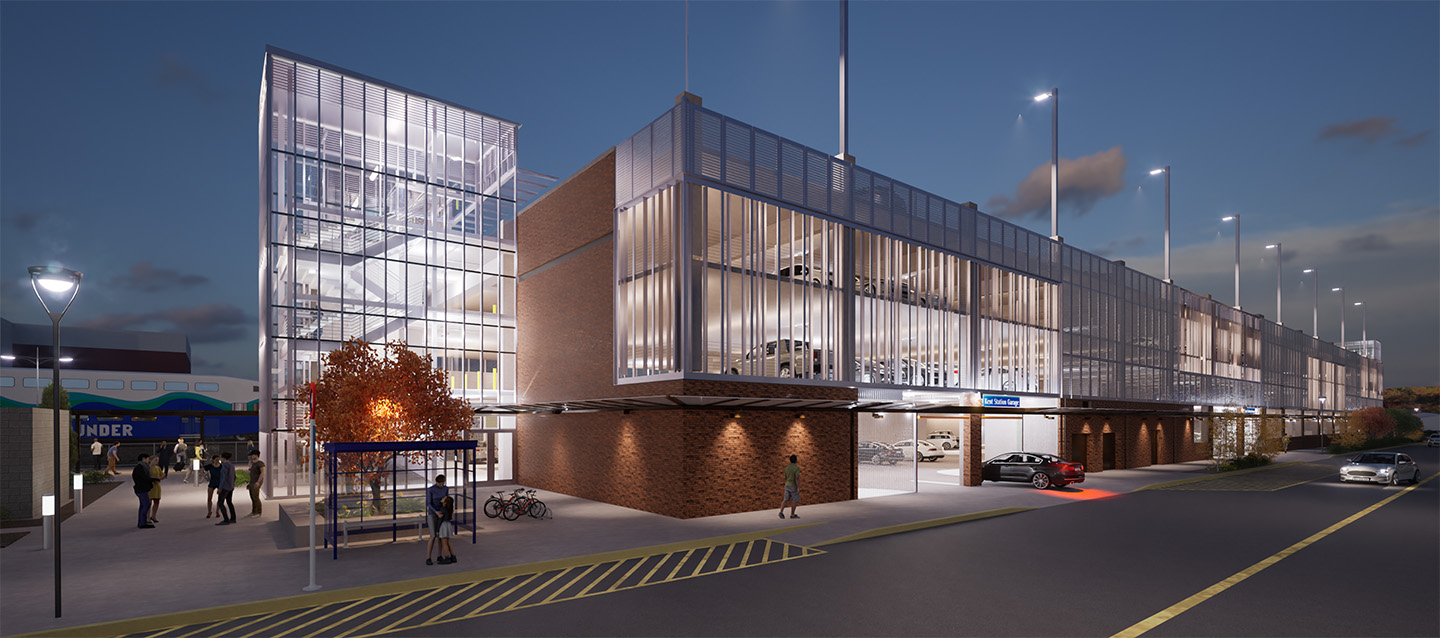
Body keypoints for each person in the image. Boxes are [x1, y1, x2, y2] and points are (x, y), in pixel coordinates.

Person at [424, 474, 449, 565]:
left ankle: (439, 556)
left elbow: (446, 500)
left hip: (441, 514)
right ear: (436, 482)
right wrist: (436, 512)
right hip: (433, 514)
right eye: (439, 483)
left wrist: (444, 512)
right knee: (433, 536)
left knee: (441, 536)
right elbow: (428, 504)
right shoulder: (430, 490)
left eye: (442, 483)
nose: (441, 485)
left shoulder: (446, 489)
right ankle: (428, 557)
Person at [132, 453, 157, 529]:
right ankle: (142, 523)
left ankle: (142, 521)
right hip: (141, 489)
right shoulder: (140, 468)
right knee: (146, 504)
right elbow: (144, 478)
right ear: (143, 459)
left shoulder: (141, 467)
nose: (149, 460)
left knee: (143, 505)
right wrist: (153, 479)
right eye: (148, 459)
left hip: (141, 488)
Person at [215, 452, 237, 526]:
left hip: (225, 487)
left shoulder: (224, 466)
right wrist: (232, 484)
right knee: (229, 502)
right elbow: (234, 476)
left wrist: (220, 488)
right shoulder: (231, 465)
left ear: (223, 458)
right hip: (230, 487)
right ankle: (233, 518)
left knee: (220, 503)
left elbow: (223, 478)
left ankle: (226, 519)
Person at [435, 495, 456, 565]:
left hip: (443, 526)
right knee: (448, 542)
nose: (442, 498)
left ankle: (447, 558)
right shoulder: (449, 509)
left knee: (444, 543)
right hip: (448, 525)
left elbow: (440, 520)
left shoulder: (443, 509)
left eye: (444, 498)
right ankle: (453, 556)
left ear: (445, 503)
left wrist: (437, 530)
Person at [778, 454, 801, 519]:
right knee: (794, 500)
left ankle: (781, 512)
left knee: (785, 499)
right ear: (796, 460)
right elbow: (797, 478)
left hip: (787, 485)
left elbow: (785, 477)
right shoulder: (796, 468)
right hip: (793, 486)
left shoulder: (786, 468)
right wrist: (798, 487)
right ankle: (792, 515)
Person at [246, 450, 266, 518]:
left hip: (256, 482)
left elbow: (262, 473)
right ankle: (254, 511)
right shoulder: (253, 463)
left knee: (256, 497)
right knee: (252, 497)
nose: (251, 456)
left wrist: (258, 482)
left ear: (256, 455)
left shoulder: (260, 463)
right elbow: (251, 473)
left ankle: (258, 512)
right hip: (252, 482)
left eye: (252, 455)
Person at [147, 453, 166, 524]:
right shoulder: (148, 468)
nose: (157, 461)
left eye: (157, 460)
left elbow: (162, 474)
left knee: (157, 501)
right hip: (151, 486)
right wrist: (156, 478)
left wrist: (163, 476)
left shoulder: (158, 468)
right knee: (149, 502)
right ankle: (148, 517)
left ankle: (153, 516)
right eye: (155, 460)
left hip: (157, 486)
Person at [205, 454, 222, 518]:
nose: (217, 461)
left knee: (220, 498)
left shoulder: (221, 466)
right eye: (216, 459)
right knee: (209, 498)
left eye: (218, 459)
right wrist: (206, 477)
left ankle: (217, 511)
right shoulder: (210, 466)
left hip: (219, 483)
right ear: (213, 460)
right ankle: (209, 511)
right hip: (212, 482)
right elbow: (201, 469)